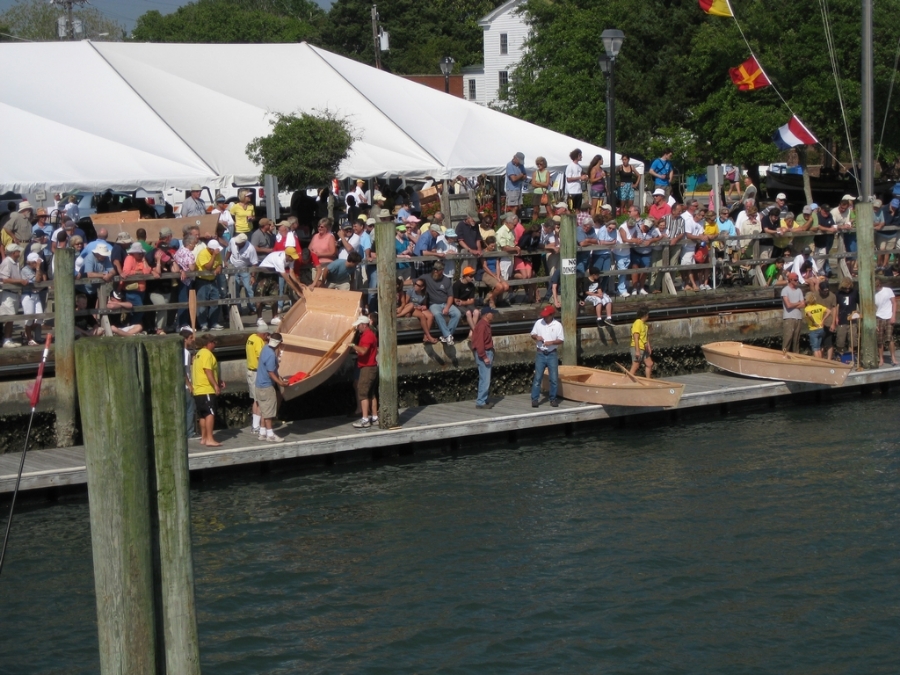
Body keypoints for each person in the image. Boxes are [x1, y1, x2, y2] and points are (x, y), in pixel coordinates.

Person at [256, 332, 290, 443]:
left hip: (258, 385)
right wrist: (280, 383)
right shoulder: (271, 354)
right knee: (269, 411)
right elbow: (271, 372)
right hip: (266, 386)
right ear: (278, 343)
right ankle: (270, 434)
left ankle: (262, 432)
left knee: (263, 409)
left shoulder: (265, 348)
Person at [192, 334, 225, 447]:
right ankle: (210, 438)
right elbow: (208, 371)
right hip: (206, 388)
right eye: (214, 342)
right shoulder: (207, 354)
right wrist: (215, 385)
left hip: (198, 390)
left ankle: (204, 437)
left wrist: (219, 380)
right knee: (210, 413)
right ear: (209, 343)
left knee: (203, 414)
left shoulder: (198, 354)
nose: (215, 345)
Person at [530, 305, 564, 407]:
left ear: (552, 314)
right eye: (543, 315)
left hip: (552, 353)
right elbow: (532, 334)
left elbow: (561, 340)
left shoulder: (558, 325)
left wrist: (551, 342)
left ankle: (553, 399)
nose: (544, 317)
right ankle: (534, 399)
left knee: (553, 378)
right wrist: (536, 336)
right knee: (538, 378)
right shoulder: (538, 323)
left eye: (546, 316)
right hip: (540, 353)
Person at [350, 316, 379, 428]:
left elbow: (363, 350)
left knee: (362, 393)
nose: (357, 327)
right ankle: (375, 417)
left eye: (358, 325)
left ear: (364, 325)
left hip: (367, 368)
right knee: (371, 394)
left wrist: (353, 346)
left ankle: (365, 419)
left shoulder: (367, 336)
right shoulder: (369, 334)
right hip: (371, 367)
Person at [423, 261, 461, 345]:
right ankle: (448, 336)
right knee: (437, 314)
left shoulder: (446, 280)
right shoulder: (426, 277)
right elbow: (413, 281)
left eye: (438, 270)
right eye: (434, 269)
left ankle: (446, 336)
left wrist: (447, 307)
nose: (436, 271)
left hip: (445, 303)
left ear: (442, 270)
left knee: (457, 313)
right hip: (434, 304)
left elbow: (450, 296)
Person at [245, 323, 270, 436]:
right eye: (266, 335)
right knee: (259, 400)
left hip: (250, 371)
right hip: (256, 372)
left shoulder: (250, 338)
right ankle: (256, 426)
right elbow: (261, 357)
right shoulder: (259, 341)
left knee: (255, 399)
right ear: (263, 334)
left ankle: (255, 425)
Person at [398, 277, 438, 343]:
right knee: (422, 316)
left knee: (430, 316)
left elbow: (424, 304)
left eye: (418, 285)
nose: (415, 286)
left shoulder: (424, 294)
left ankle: (425, 337)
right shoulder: (410, 291)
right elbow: (406, 303)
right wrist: (416, 307)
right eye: (415, 284)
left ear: (422, 288)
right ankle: (429, 336)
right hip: (411, 308)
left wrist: (424, 307)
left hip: (419, 307)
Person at [471, 306, 497, 409]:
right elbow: (479, 342)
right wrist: (484, 356)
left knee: (485, 378)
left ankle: (484, 399)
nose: (493, 315)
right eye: (492, 313)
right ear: (487, 315)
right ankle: (481, 401)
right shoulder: (482, 325)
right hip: (484, 353)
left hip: (487, 352)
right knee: (485, 379)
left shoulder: (485, 324)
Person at [0, 244, 25, 347]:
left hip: (14, 293)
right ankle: (6, 340)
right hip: (8, 294)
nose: (19, 253)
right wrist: (20, 280)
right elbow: (4, 279)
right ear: (14, 252)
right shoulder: (7, 262)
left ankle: (9, 338)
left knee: (12, 318)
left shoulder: (16, 262)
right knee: (8, 318)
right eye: (18, 251)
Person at [20, 252, 44, 346]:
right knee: (29, 318)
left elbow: (43, 278)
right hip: (28, 296)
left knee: (40, 317)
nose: (38, 264)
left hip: (36, 294)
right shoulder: (25, 270)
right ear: (32, 262)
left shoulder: (35, 270)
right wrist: (38, 268)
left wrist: (38, 269)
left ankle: (26, 332)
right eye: (37, 262)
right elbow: (37, 280)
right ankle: (29, 338)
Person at [480, 236, 510, 308]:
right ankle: (492, 300)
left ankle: (490, 295)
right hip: (487, 273)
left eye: (494, 246)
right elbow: (485, 266)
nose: (493, 248)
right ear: (487, 245)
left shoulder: (495, 252)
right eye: (491, 246)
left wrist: (498, 275)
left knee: (506, 286)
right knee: (499, 287)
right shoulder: (483, 252)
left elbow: (497, 265)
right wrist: (494, 276)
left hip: (495, 272)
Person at [834, 277, 859, 360]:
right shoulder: (839, 294)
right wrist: (836, 318)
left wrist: (857, 314)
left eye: (849, 288)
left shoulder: (855, 292)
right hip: (842, 319)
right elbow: (836, 306)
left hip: (852, 320)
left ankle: (851, 357)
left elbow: (859, 304)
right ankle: (840, 356)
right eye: (845, 288)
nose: (847, 290)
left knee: (853, 340)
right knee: (840, 340)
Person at [181, 326, 198, 440]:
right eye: (191, 338)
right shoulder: (185, 352)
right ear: (185, 339)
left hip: (182, 386)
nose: (192, 340)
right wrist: (189, 385)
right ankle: (190, 432)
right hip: (186, 386)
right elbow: (183, 370)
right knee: (190, 409)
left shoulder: (184, 352)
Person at [781, 272, 806, 353]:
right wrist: (798, 303)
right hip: (788, 317)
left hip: (798, 317)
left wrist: (794, 304)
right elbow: (788, 305)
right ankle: (784, 357)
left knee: (796, 340)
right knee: (787, 339)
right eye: (795, 280)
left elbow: (803, 304)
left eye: (797, 280)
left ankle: (796, 357)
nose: (797, 281)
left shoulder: (799, 290)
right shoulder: (785, 290)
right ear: (790, 280)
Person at [874, 278, 896, 366]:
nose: (876, 288)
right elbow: (873, 308)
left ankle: (893, 357)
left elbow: (894, 303)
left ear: (879, 285)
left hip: (888, 316)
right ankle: (881, 359)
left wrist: (893, 316)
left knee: (889, 338)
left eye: (877, 286)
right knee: (880, 340)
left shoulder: (888, 290)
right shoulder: (874, 294)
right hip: (878, 317)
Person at [453, 266, 480, 339]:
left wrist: (464, 302)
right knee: (468, 313)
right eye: (470, 276)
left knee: (477, 312)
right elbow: (456, 301)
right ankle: (475, 331)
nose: (472, 278)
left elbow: (472, 300)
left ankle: (471, 334)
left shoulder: (471, 285)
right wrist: (466, 302)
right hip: (458, 306)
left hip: (465, 304)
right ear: (465, 276)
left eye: (473, 276)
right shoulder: (457, 285)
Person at [803, 291, 832, 359]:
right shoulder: (819, 306)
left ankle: (819, 363)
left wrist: (813, 322)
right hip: (821, 329)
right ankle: (821, 361)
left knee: (815, 348)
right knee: (818, 348)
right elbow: (829, 311)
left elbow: (809, 315)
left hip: (814, 330)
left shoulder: (807, 308)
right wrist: (823, 320)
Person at [629, 305, 653, 378]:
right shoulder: (638, 323)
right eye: (648, 314)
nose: (648, 316)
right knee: (635, 366)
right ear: (645, 315)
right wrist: (637, 351)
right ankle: (626, 382)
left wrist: (648, 346)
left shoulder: (645, 325)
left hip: (643, 348)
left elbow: (646, 337)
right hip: (637, 347)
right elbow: (636, 337)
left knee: (649, 364)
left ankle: (648, 382)